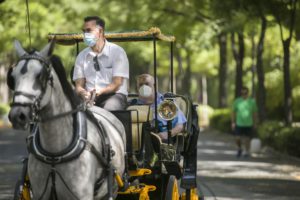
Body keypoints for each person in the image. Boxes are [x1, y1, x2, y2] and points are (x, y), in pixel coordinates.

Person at [73, 16, 129, 110]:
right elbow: (79, 86)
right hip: (89, 97)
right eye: (84, 31)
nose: (85, 34)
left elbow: (117, 84)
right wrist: (84, 93)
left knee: (109, 108)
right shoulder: (81, 56)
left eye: (89, 30)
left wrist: (99, 92)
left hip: (115, 96)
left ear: (100, 31)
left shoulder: (117, 52)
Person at [134, 74, 187, 143]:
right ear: (137, 88)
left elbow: (180, 125)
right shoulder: (134, 105)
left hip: (162, 141)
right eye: (141, 85)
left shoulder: (166, 103)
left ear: (155, 86)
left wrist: (168, 134)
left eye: (147, 84)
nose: (144, 87)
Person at [231, 86, 258, 157]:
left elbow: (255, 113)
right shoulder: (237, 101)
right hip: (239, 123)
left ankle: (246, 151)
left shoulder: (252, 102)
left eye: (245, 93)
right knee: (237, 138)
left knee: (247, 139)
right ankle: (239, 148)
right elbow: (233, 112)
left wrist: (255, 123)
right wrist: (233, 122)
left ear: (248, 93)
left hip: (249, 123)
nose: (244, 95)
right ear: (241, 93)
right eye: (242, 93)